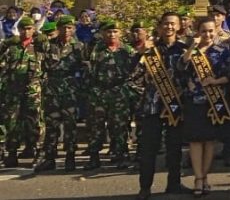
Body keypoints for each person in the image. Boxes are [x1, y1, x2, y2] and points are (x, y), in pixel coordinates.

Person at [129, 12, 191, 200]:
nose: (169, 27)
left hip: (175, 106)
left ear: (179, 26)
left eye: (173, 24)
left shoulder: (183, 49)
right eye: (165, 24)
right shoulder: (149, 49)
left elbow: (189, 75)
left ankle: (174, 183)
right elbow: (133, 74)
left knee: (174, 148)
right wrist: (139, 54)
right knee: (149, 149)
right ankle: (145, 187)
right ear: (160, 26)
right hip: (152, 106)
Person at [177, 16, 230, 197]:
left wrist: (216, 80)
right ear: (198, 32)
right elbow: (181, 67)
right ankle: (198, 178)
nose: (208, 34)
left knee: (210, 140)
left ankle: (206, 176)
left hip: (214, 100)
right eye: (204, 31)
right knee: (195, 140)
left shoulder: (222, 50)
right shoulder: (192, 51)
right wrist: (194, 46)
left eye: (211, 31)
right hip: (194, 100)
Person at [36, 14, 86, 172]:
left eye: (69, 27)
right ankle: (50, 158)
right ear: (58, 29)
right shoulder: (49, 45)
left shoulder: (79, 47)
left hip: (70, 90)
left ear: (74, 29)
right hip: (52, 89)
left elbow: (85, 68)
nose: (66, 30)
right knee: (52, 125)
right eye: (63, 27)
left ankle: (70, 158)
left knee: (70, 125)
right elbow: (41, 65)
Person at [85, 20, 137, 170]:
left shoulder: (127, 50)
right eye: (109, 31)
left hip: (119, 92)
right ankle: (94, 156)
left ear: (120, 33)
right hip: (99, 92)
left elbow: (135, 71)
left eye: (115, 31)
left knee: (119, 126)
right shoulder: (96, 49)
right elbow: (89, 70)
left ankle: (121, 155)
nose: (112, 34)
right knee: (96, 126)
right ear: (103, 33)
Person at [1, 16, 47, 168]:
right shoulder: (12, 47)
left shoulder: (38, 45)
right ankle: (12, 153)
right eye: (23, 29)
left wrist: (40, 36)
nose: (26, 32)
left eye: (29, 29)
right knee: (12, 123)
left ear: (33, 30)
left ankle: (38, 152)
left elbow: (50, 47)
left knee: (35, 122)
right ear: (18, 30)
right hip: (13, 90)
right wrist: (7, 42)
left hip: (33, 90)